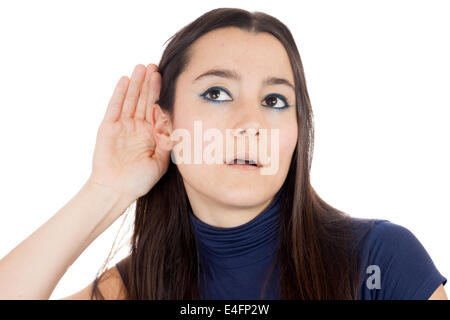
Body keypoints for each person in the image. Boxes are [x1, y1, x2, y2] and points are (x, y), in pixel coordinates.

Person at [0, 8, 447, 300]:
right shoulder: (132, 290)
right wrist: (106, 190)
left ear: (297, 131)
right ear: (166, 124)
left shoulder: (380, 262)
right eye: (217, 93)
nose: (249, 122)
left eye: (274, 101)